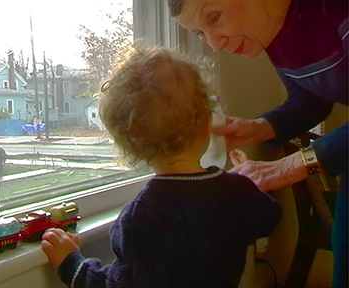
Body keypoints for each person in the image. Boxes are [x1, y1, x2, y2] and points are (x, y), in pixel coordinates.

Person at [40, 47, 281, 288]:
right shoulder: (236, 192)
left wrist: (72, 264)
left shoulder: (140, 216)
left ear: (130, 147)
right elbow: (269, 216)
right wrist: (250, 181)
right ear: (208, 122)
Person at [168, 0, 348, 286]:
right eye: (200, 34)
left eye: (214, 18)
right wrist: (260, 128)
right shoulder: (275, 34)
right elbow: (313, 97)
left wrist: (295, 164)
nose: (215, 45)